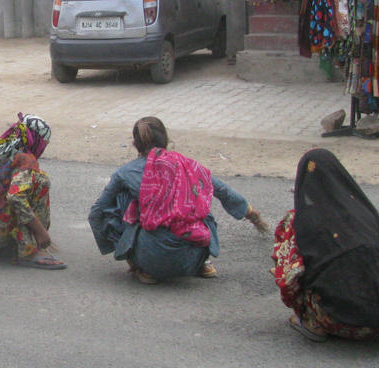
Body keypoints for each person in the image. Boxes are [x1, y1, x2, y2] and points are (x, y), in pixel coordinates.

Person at [88, 116, 266, 284]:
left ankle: (141, 267)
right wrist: (251, 214)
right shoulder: (187, 166)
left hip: (151, 259)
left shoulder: (126, 172)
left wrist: (116, 247)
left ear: (135, 145)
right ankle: (204, 264)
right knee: (195, 196)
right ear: (166, 140)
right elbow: (223, 191)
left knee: (123, 198)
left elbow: (97, 211)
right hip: (195, 254)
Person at [272, 148, 379, 342]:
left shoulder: (301, 221)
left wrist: (282, 275)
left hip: (339, 321)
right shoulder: (363, 212)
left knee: (290, 258)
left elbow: (290, 281)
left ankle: (313, 322)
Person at [0, 113, 66, 269]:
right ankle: (30, 251)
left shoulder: (1, 149)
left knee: (12, 191)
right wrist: (40, 231)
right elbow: (16, 197)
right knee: (41, 182)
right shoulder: (26, 160)